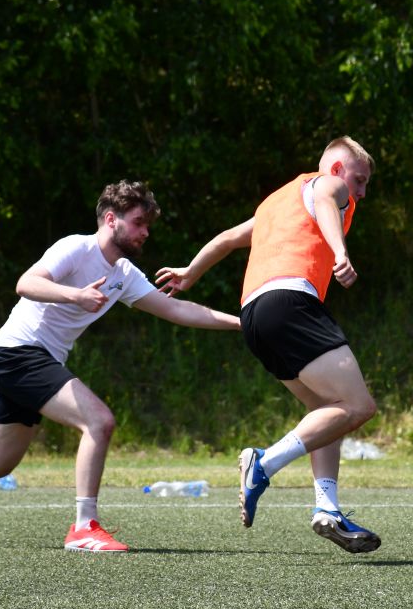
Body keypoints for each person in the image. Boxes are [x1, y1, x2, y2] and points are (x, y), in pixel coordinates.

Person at [0, 180, 240, 552]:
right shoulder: (76, 248)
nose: (145, 232)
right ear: (110, 219)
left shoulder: (124, 274)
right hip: (21, 355)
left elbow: (176, 309)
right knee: (99, 421)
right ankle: (84, 528)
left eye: (147, 225)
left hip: (26, 360)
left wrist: (242, 323)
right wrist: (75, 295)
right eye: (138, 222)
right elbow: (26, 283)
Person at [155, 136, 380, 553]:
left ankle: (327, 508)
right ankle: (264, 463)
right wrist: (339, 252)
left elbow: (227, 238)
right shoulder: (330, 185)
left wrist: (191, 271)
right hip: (289, 301)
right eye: (360, 180)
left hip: (254, 316)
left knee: (327, 410)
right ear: (337, 169)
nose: (361, 192)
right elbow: (328, 201)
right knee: (359, 406)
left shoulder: (277, 202)